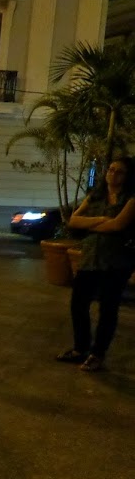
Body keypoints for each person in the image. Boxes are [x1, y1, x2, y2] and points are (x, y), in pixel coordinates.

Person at [56, 157, 135, 371]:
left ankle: (97, 353)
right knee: (78, 303)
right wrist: (101, 220)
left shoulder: (130, 199)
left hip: (116, 261)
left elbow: (118, 226)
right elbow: (73, 220)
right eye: (110, 169)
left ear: (127, 176)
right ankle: (80, 347)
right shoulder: (96, 196)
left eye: (119, 171)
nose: (113, 174)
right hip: (90, 258)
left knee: (108, 309)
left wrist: (90, 224)